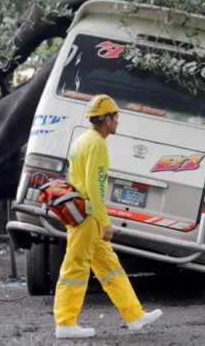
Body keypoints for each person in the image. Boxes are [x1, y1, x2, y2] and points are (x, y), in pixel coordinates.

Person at [53, 94, 162, 339]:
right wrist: (104, 221)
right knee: (75, 267)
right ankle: (66, 322)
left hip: (82, 214)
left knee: (110, 267)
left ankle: (134, 315)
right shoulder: (97, 144)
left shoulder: (83, 140)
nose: (118, 121)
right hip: (88, 218)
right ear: (106, 119)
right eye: (115, 116)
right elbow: (95, 186)